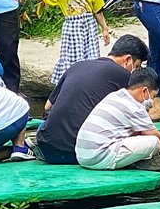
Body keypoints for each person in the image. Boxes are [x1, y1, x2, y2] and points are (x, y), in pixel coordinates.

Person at [33, 34, 149, 165]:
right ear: (128, 60)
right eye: (137, 67)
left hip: (47, 148)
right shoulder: (124, 75)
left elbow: (48, 106)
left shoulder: (77, 66)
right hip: (80, 152)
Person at [75, 67, 160, 170]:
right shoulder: (134, 107)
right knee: (154, 142)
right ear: (144, 91)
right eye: (153, 96)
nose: (151, 101)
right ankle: (139, 162)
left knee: (139, 135)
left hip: (83, 157)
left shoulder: (114, 96)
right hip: (98, 157)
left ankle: (138, 161)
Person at [41, 0, 111, 86]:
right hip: (71, 29)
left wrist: (104, 28)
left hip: (89, 27)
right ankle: (71, 84)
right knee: (70, 58)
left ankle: (90, 83)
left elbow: (97, 10)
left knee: (91, 57)